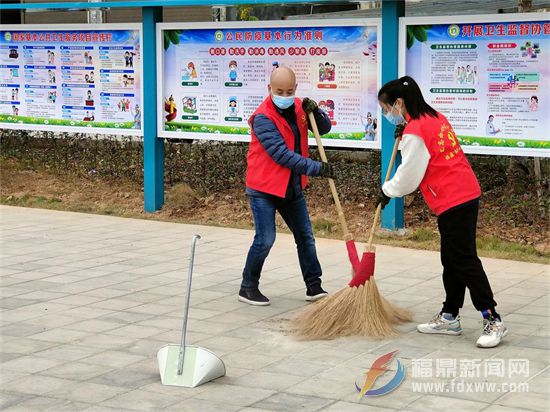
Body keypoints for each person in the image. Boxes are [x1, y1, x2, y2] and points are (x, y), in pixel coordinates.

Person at [376, 76, 506, 348]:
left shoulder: (414, 131)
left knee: (464, 259)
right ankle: (450, 316)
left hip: (453, 198)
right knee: (452, 258)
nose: (388, 115)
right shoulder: (433, 117)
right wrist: (406, 131)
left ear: (399, 103)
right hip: (464, 193)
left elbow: (409, 176)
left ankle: (492, 318)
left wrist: (387, 191)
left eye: (387, 109)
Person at [239, 66, 334, 306]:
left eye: (289, 90)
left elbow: (322, 128)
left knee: (305, 237)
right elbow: (281, 154)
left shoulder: (301, 107)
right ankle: (247, 287)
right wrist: (317, 168)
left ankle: (314, 286)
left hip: (291, 187)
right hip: (264, 188)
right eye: (279, 90)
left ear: (295, 89)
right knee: (265, 239)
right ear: (269, 88)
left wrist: (319, 113)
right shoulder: (263, 118)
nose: (285, 95)